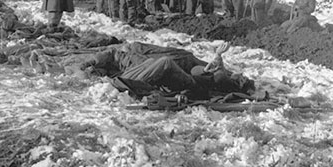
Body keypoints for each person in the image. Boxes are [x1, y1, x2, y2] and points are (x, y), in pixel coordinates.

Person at [80, 41, 255, 99]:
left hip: (183, 80)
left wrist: (217, 58)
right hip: (135, 74)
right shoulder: (125, 56)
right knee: (167, 61)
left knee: (166, 62)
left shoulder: (215, 79)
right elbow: (111, 54)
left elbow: (210, 73)